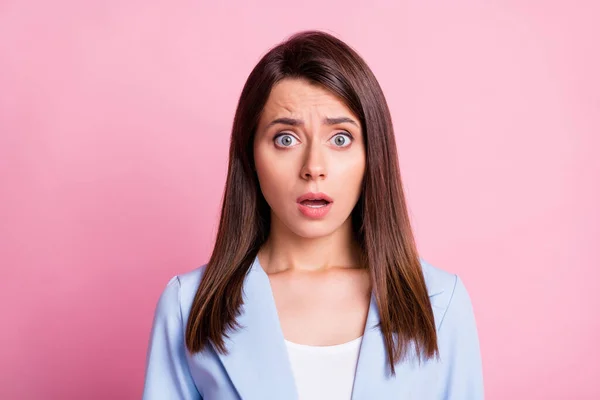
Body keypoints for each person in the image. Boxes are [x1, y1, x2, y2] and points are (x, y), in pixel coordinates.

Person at [142, 30, 484, 400]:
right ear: (250, 156)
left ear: (373, 156)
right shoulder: (190, 305)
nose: (314, 167)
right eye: (285, 139)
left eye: (340, 138)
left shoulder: (439, 301)